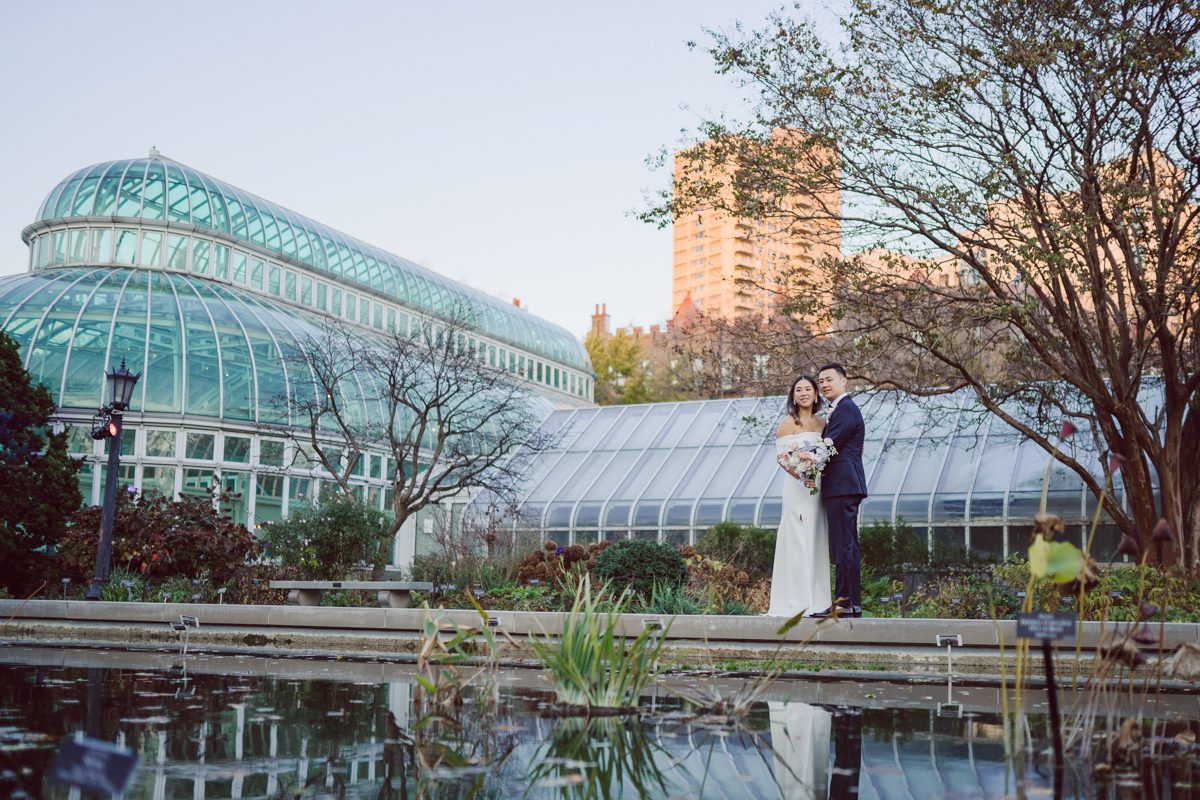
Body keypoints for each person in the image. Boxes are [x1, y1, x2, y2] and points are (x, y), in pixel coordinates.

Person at [766, 375, 832, 618]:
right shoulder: (788, 422)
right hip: (797, 487)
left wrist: (816, 470)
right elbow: (782, 458)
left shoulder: (823, 423)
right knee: (796, 537)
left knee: (816, 537)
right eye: (798, 390)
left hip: (818, 488)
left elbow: (828, 453)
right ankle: (796, 600)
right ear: (793, 396)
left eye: (808, 389)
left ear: (816, 394)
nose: (803, 393)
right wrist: (801, 475)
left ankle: (818, 600)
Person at [808, 363, 867, 618]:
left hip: (843, 484)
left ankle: (844, 603)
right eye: (821, 381)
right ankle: (851, 603)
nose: (824, 385)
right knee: (846, 544)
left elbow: (829, 446)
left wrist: (804, 461)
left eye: (829, 380)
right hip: (842, 484)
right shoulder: (840, 410)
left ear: (844, 381)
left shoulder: (846, 410)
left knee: (843, 545)